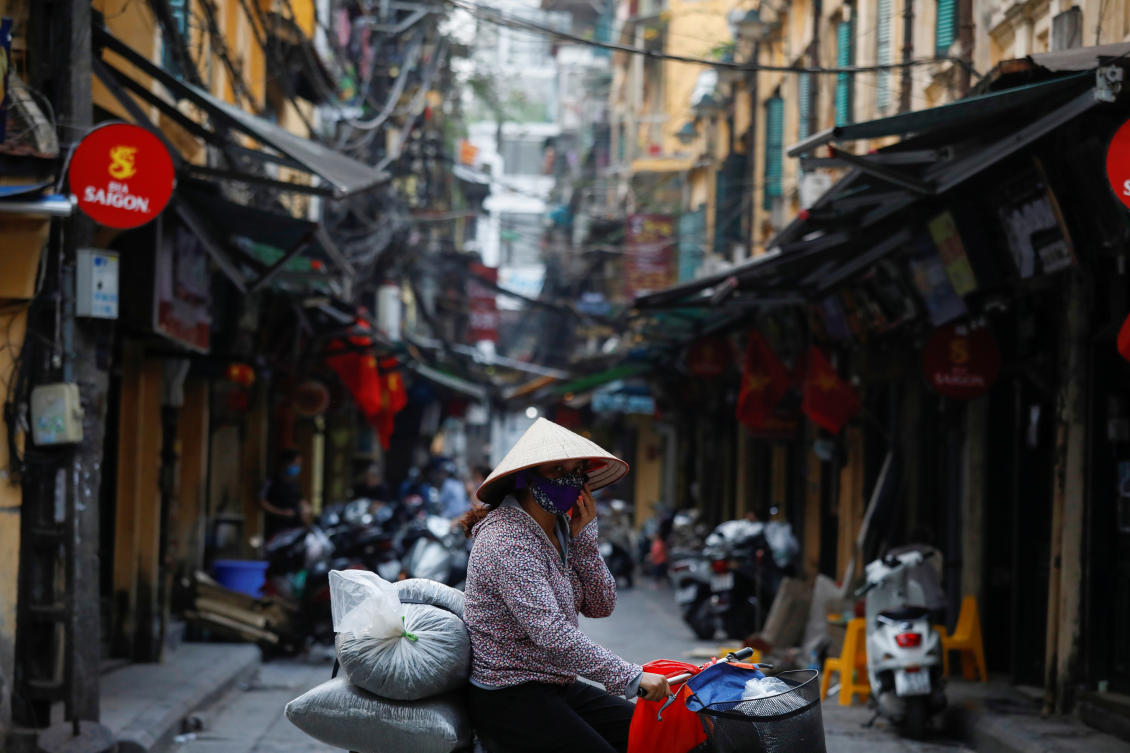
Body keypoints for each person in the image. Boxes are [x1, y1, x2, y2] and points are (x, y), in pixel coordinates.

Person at [459, 418, 671, 753]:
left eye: (576, 471)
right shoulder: (507, 539)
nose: (569, 481)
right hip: (509, 693)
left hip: (557, 683)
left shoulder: (560, 529)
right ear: (525, 479)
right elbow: (552, 633)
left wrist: (585, 541)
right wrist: (630, 677)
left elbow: (602, 606)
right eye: (557, 470)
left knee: (653, 735)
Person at [259, 449, 311, 539]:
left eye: (299, 465)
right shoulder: (271, 481)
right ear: (286, 463)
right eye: (295, 464)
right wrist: (281, 512)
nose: (298, 467)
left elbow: (300, 499)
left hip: (295, 526)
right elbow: (262, 502)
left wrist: (306, 509)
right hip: (277, 528)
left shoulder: (294, 483)